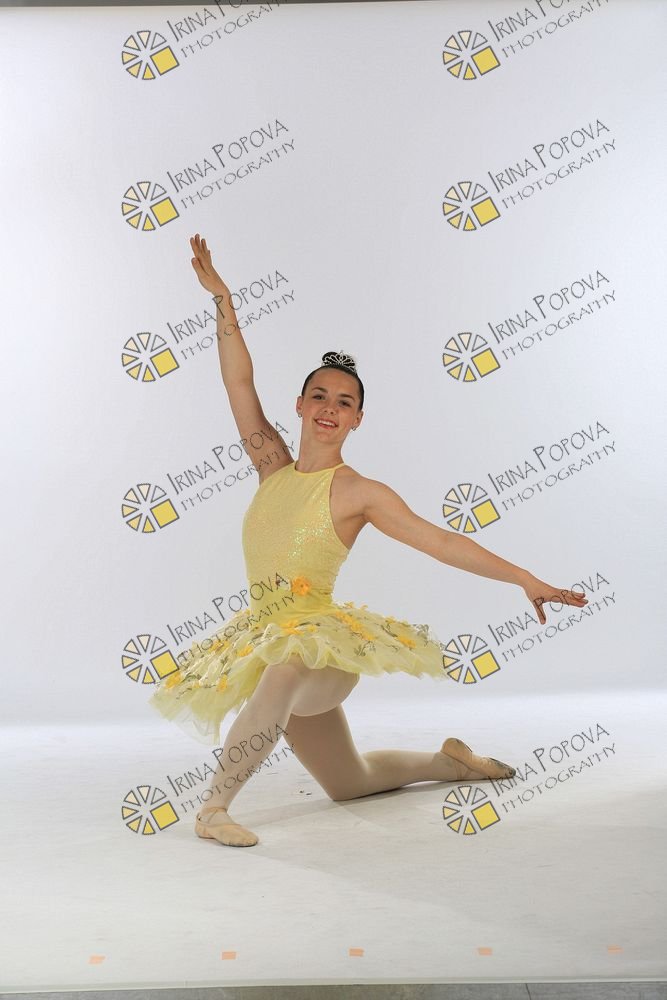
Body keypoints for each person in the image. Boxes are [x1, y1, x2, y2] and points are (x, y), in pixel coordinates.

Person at [149, 233, 589, 848]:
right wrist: (223, 300)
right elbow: (238, 384)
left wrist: (524, 578)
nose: (329, 408)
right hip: (266, 637)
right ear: (300, 405)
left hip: (319, 649)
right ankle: (450, 763)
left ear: (357, 418)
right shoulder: (271, 466)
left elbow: (441, 542)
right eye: (319, 396)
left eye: (345, 402)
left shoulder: (359, 492)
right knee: (348, 783)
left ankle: (213, 809)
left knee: (282, 672)